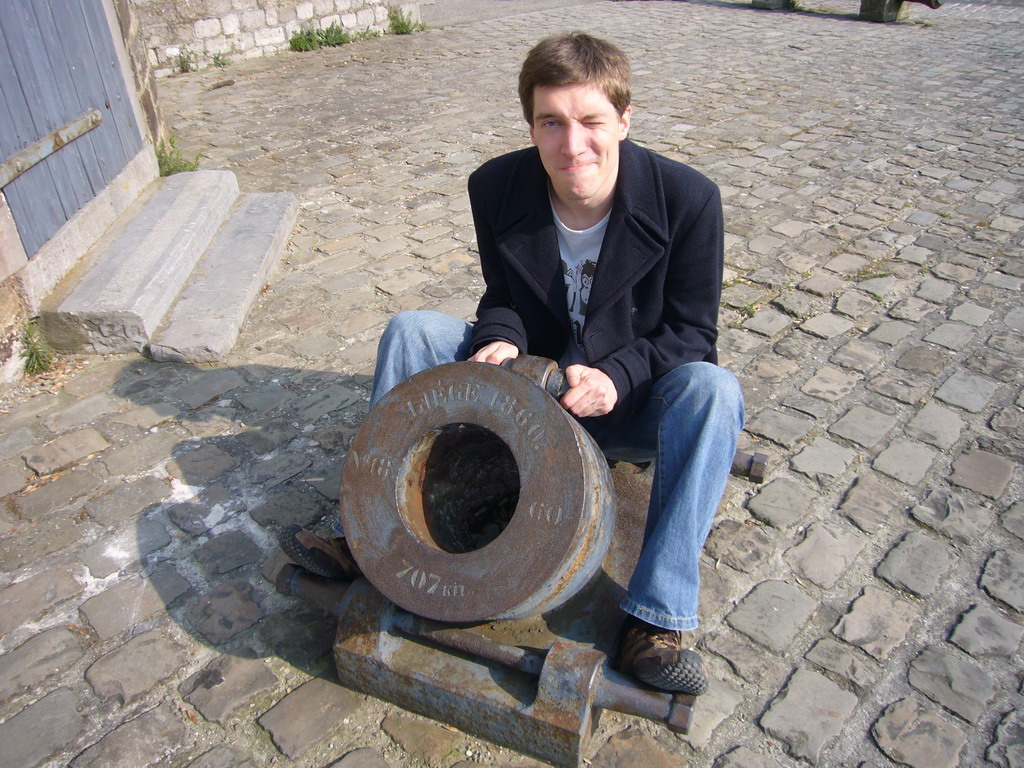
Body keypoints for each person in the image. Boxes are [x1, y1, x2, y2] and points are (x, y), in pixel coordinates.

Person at [281, 31, 744, 696]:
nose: (571, 144)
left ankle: (657, 616)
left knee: (714, 392)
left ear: (624, 120)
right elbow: (503, 296)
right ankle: (369, 536)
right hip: (535, 393)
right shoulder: (497, 186)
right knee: (413, 331)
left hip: (626, 402)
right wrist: (498, 335)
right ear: (531, 123)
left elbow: (692, 333)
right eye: (550, 123)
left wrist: (619, 376)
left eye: (590, 121)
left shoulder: (688, 200)